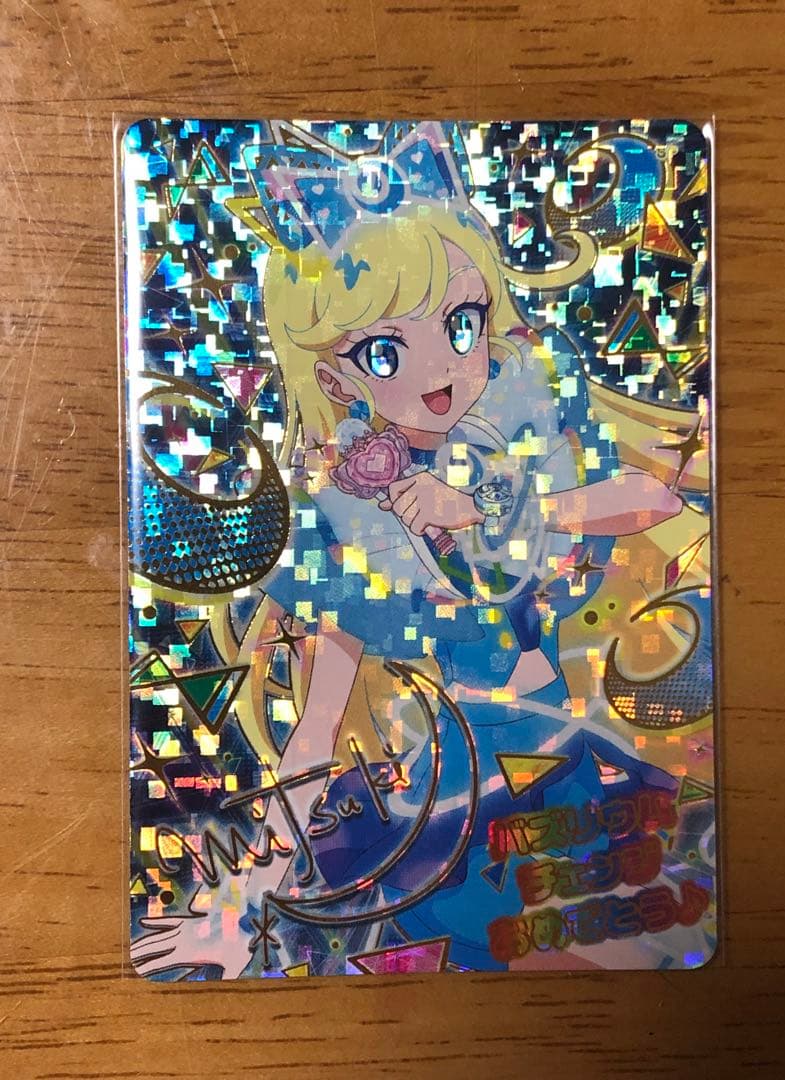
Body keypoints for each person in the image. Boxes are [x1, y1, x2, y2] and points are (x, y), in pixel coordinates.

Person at [132, 121, 684, 977]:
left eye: (461, 324)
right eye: (385, 352)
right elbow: (315, 733)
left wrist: (490, 509)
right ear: (335, 377)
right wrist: (243, 906)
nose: (439, 372)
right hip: (462, 803)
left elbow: (652, 498)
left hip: (569, 761)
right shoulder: (342, 523)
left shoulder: (523, 414)